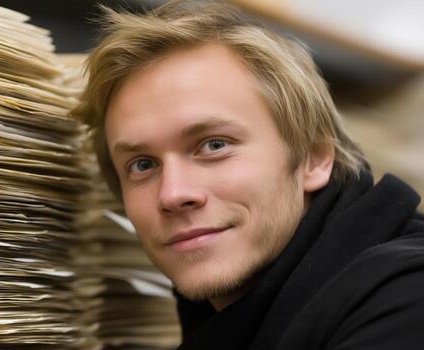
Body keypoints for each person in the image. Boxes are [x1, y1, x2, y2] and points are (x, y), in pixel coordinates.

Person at [72, 1, 424, 349]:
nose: (173, 194)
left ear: (314, 158)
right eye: (143, 165)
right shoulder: (233, 317)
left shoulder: (405, 299)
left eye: (213, 145)